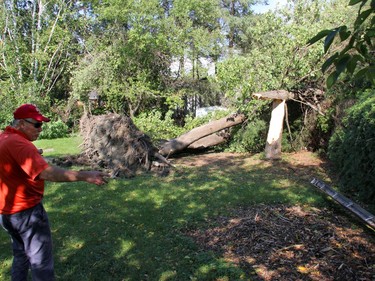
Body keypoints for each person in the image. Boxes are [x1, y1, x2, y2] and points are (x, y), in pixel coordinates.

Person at [0, 104, 108, 281]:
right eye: (36, 125)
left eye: (41, 125)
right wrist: (85, 175)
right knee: (41, 263)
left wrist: (35, 152)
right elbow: (47, 173)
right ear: (20, 124)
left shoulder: (5, 138)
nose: (40, 129)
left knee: (21, 255)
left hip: (7, 214)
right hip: (27, 215)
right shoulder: (19, 144)